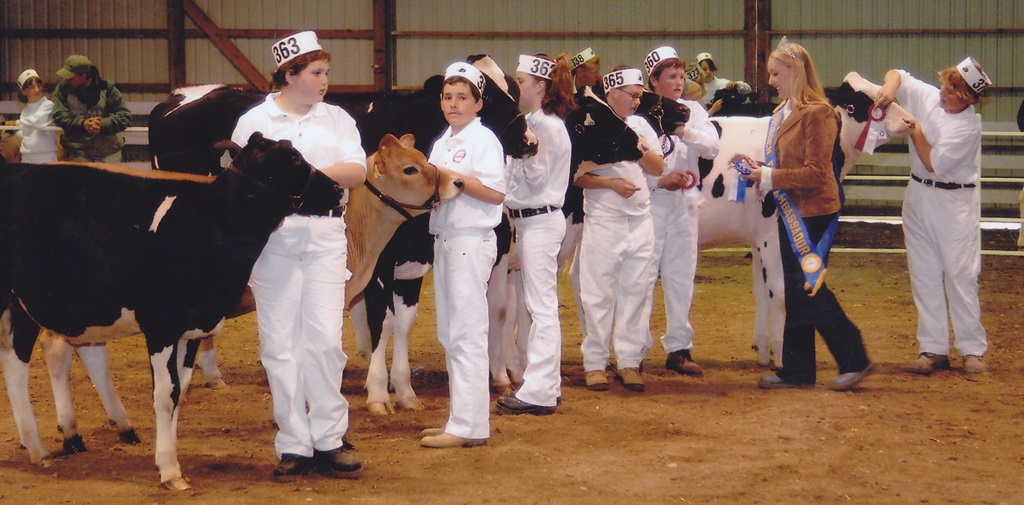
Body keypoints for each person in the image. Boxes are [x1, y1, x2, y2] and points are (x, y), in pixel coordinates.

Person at [230, 31, 367, 481]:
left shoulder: (338, 119)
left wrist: (297, 178)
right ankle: (293, 442)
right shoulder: (255, 121)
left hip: (326, 234)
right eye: (317, 73)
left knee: (326, 342)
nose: (326, 80)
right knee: (279, 346)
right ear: (289, 75)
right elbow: (237, 186)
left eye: (325, 72)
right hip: (274, 240)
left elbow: (357, 171)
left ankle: (330, 437)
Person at [735, 37, 873, 391]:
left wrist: (770, 176)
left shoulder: (819, 114)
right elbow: (794, 165)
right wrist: (763, 169)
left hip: (814, 212)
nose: (771, 81)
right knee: (798, 291)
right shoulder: (791, 112)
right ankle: (798, 371)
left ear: (795, 72)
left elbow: (816, 173)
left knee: (808, 288)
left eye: (775, 73)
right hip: (795, 210)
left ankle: (854, 358)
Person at [873, 57, 992, 374]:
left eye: (950, 90)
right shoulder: (931, 97)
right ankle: (933, 348)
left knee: (960, 275)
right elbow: (899, 72)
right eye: (943, 85)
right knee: (923, 272)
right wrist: (889, 88)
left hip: (954, 203)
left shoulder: (968, 127)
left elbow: (932, 162)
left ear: (965, 98)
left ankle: (971, 348)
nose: (941, 92)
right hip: (919, 195)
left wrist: (915, 129)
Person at [419, 61, 506, 448]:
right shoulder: (442, 143)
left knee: (468, 333)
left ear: (478, 103)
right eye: (448, 97)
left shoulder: (484, 140)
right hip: (445, 239)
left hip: (472, 239)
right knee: (450, 333)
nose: (454, 104)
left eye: (462, 97)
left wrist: (458, 181)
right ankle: (461, 419)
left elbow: (496, 193)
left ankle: (470, 425)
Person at [575, 66, 664, 393]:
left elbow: (659, 167)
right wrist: (610, 182)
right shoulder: (590, 123)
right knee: (598, 295)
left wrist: (637, 146)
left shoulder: (640, 126)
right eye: (632, 96)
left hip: (641, 221)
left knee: (636, 292)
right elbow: (576, 176)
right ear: (612, 92)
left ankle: (628, 360)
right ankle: (595, 363)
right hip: (604, 223)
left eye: (640, 96)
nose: (637, 102)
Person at [495, 54, 575, 416]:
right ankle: (547, 384)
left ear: (541, 86)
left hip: (540, 220)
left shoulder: (547, 127)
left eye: (522, 81)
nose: (518, 86)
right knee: (537, 305)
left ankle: (540, 391)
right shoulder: (532, 122)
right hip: (530, 221)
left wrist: (523, 152)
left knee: (541, 307)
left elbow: (536, 178)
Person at [641, 46, 720, 376]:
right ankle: (635, 349)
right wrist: (660, 181)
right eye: (670, 76)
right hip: (650, 201)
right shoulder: (640, 113)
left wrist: (683, 130)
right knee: (642, 276)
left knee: (681, 274)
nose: (678, 82)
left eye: (680, 76)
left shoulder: (694, 111)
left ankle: (679, 347)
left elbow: (713, 146)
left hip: (685, 201)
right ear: (654, 80)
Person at [51, 54, 131, 163]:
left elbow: (124, 117)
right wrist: (82, 124)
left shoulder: (108, 90)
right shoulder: (62, 90)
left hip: (109, 155)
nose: (66, 80)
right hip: (77, 154)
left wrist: (102, 125)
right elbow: (59, 115)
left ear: (83, 76)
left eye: (70, 77)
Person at [15, 69, 58, 163]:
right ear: (24, 91)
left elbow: (37, 122)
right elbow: (25, 133)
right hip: (27, 156)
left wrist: (17, 123)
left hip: (46, 156)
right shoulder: (26, 110)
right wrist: (14, 132)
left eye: (39, 86)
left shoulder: (48, 105)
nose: (37, 90)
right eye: (32, 87)